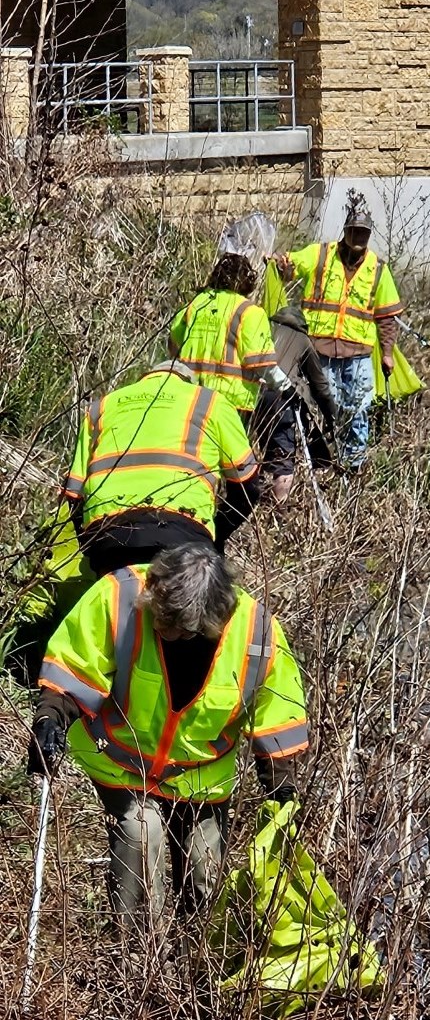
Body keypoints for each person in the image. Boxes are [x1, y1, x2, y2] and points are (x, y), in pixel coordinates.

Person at [27, 542, 308, 937]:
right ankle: (137, 962)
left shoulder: (257, 636)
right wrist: (50, 717)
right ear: (153, 590)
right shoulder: (118, 597)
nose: (169, 633)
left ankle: (197, 965)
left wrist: (281, 785)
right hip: (121, 761)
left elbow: (277, 715)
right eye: (164, 622)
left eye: (183, 630)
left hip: (201, 775)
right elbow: (74, 667)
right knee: (141, 836)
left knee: (205, 873)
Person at [62, 360, 260, 575]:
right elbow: (247, 486)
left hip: (108, 532)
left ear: (146, 377)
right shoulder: (209, 402)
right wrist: (216, 535)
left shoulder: (101, 406)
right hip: (182, 530)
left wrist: (91, 544)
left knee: (118, 603)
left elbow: (73, 495)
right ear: (188, 382)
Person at [276, 200, 404, 470]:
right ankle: (320, 464)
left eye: (363, 233)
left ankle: (353, 467)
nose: (358, 237)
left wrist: (388, 354)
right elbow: (292, 264)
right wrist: (282, 265)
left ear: (369, 235)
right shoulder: (321, 255)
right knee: (320, 410)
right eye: (354, 231)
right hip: (318, 353)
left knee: (357, 413)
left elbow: (387, 317)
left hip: (358, 357)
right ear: (345, 231)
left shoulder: (378, 269)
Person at [170, 252, 290, 417]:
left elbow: (173, 341)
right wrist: (285, 385)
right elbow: (261, 362)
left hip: (189, 396)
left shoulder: (195, 304)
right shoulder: (249, 312)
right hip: (230, 403)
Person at [253, 306, 337, 503]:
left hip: (250, 394)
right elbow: (320, 387)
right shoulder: (302, 340)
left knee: (249, 451)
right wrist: (331, 416)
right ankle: (279, 510)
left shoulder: (261, 328)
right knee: (282, 456)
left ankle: (252, 501)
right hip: (281, 398)